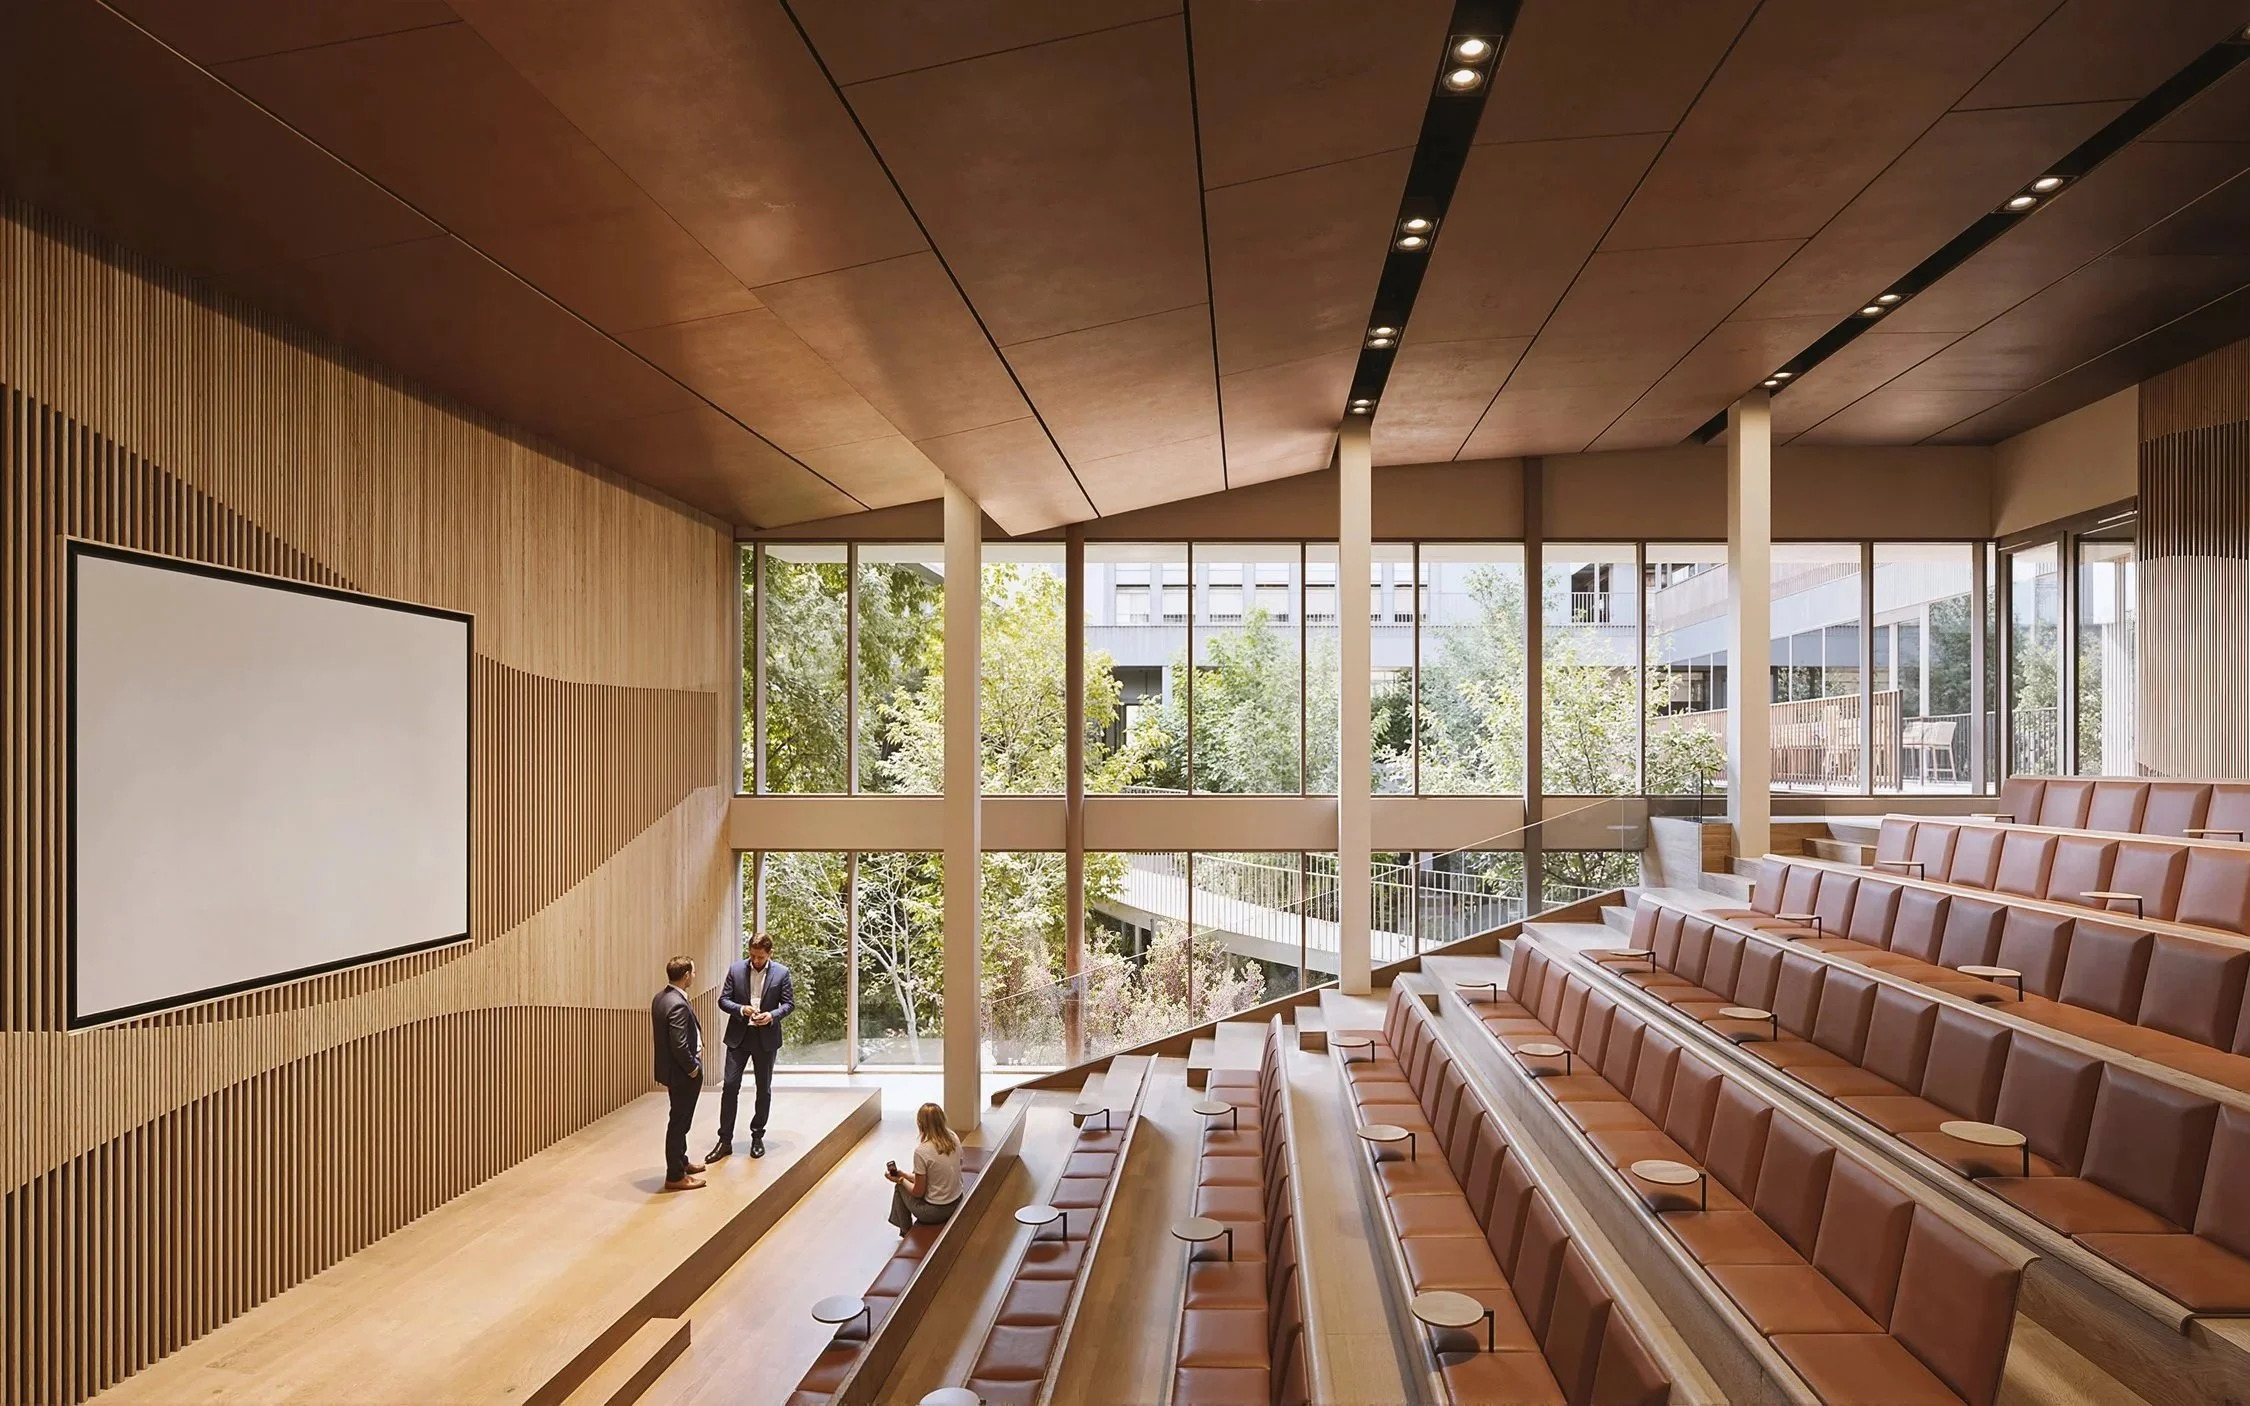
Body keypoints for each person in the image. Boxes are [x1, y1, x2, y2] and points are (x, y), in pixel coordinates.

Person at [709, 933, 794, 1161]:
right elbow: (723, 1000)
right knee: (730, 1086)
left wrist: (772, 1015)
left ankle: (757, 1136)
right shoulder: (736, 970)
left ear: (770, 953)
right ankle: (724, 1140)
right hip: (739, 1037)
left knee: (763, 1089)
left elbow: (789, 1004)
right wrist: (740, 1009)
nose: (756, 960)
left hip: (765, 1038)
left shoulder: (782, 973)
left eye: (760, 956)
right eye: (752, 955)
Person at [651, 956, 705, 1191]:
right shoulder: (678, 1004)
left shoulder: (661, 997)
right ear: (686, 976)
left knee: (679, 1118)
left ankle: (681, 1162)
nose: (694, 976)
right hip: (683, 1074)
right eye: (693, 973)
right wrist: (693, 1069)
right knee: (679, 1123)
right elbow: (679, 1045)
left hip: (672, 1072)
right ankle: (675, 1175)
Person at [886, 1102, 963, 1233]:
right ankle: (905, 1232)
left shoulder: (922, 1151)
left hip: (935, 1212)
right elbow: (943, 1172)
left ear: (920, 1124)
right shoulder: (953, 1137)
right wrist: (904, 1174)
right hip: (957, 1199)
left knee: (900, 1188)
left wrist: (901, 1180)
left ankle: (906, 1232)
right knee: (913, 1176)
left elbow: (918, 1192)